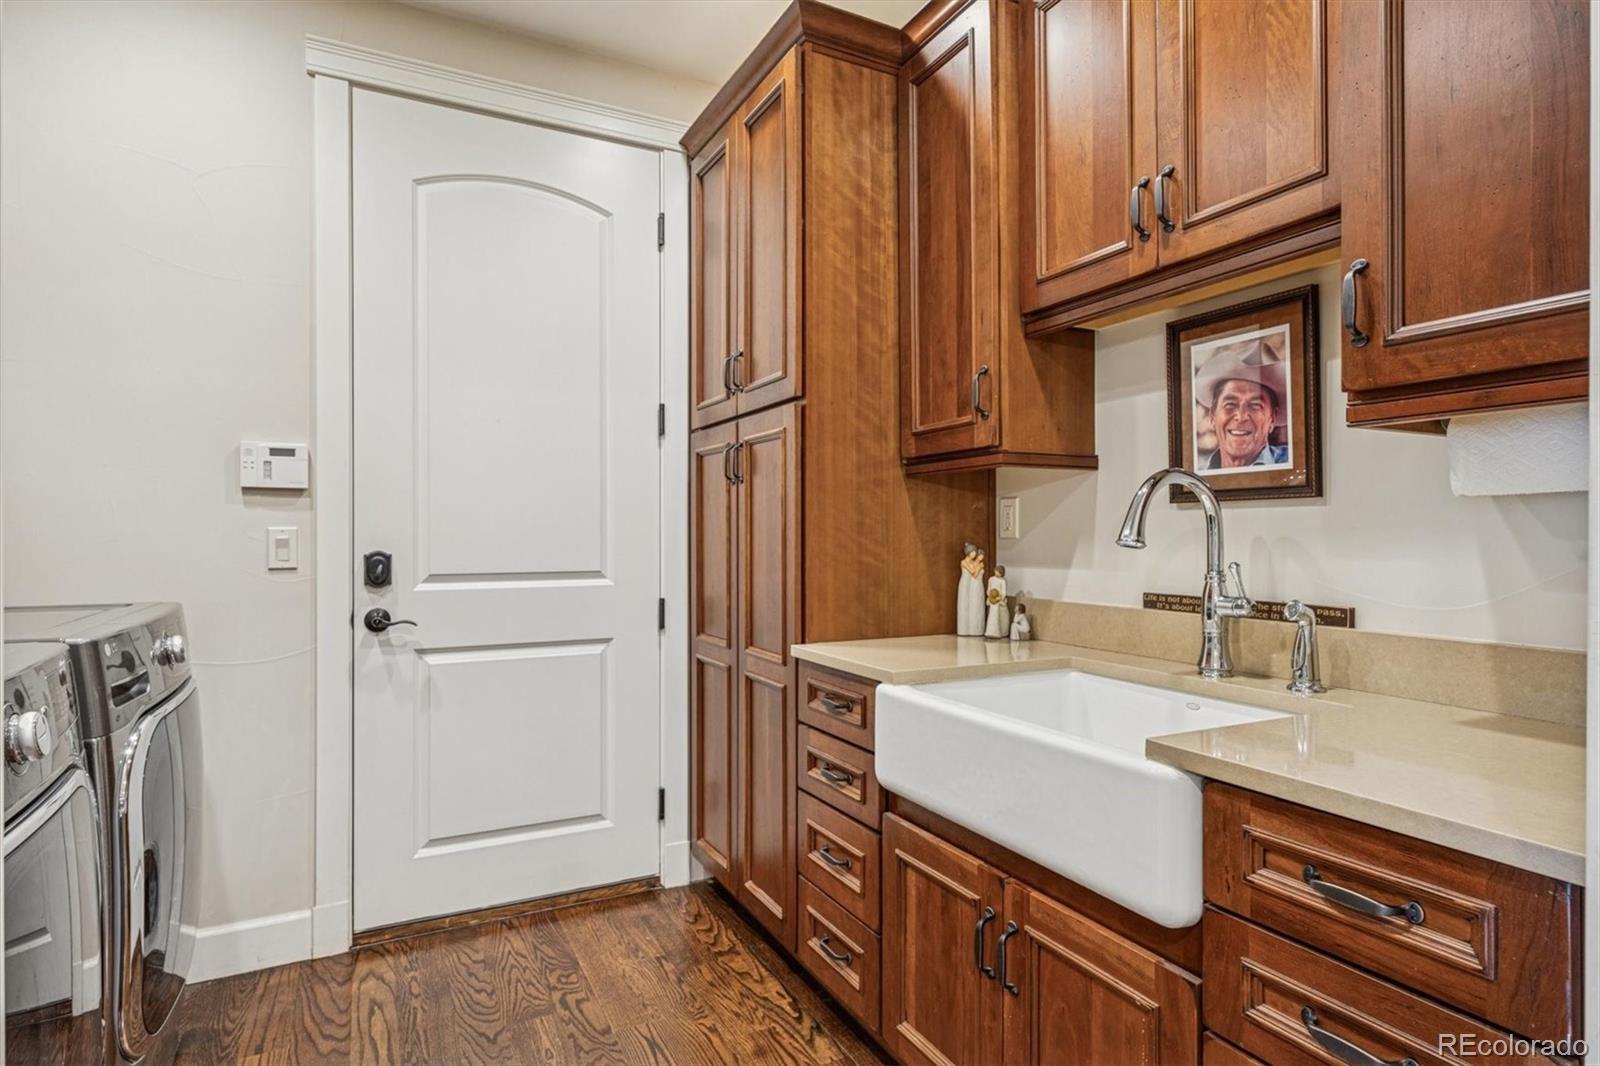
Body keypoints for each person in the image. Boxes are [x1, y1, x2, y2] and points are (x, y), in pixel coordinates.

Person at [1194, 335, 1290, 470]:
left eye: (1255, 405)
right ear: (1212, 415)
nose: (1241, 416)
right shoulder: (1198, 474)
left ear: (1272, 419)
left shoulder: (1290, 465)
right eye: (1230, 405)